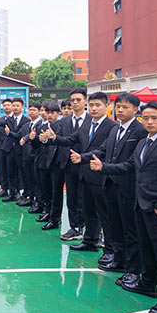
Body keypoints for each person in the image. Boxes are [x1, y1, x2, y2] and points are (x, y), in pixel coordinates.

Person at [91, 101, 157, 313]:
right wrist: (104, 167)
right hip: (140, 205)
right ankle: (148, 283)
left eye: (154, 118)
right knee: (147, 248)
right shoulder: (143, 142)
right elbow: (129, 166)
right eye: (146, 118)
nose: (149, 122)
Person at [75, 92, 146, 284]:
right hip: (111, 184)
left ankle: (133, 269)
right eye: (118, 106)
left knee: (130, 230)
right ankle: (119, 260)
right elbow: (103, 150)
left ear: (135, 109)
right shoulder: (116, 129)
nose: (120, 110)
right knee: (115, 226)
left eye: (125, 107)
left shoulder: (139, 131)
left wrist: (104, 168)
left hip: (128, 187)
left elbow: (132, 163)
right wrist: (83, 158)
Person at [48, 92, 117, 251]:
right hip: (85, 173)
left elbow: (103, 150)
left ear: (107, 106)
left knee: (102, 211)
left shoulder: (111, 127)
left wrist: (82, 157)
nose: (94, 108)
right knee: (88, 209)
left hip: (100, 174)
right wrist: (54, 138)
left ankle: (107, 245)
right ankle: (90, 241)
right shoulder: (87, 125)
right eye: (91, 105)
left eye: (97, 105)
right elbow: (70, 140)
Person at [59, 88, 89, 241]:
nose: (75, 103)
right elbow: (61, 139)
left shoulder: (92, 120)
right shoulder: (64, 121)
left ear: (85, 101)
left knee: (85, 198)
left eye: (78, 100)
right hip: (68, 164)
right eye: (73, 100)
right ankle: (75, 227)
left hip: (87, 164)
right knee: (71, 197)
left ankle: (89, 229)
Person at [35, 103, 63, 229]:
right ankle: (47, 212)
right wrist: (36, 139)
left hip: (56, 162)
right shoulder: (43, 126)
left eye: (53, 113)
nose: (49, 115)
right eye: (48, 112)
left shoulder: (61, 125)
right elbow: (37, 145)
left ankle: (55, 218)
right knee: (45, 190)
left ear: (58, 113)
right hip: (44, 162)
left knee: (55, 192)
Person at [3, 98, 30, 203]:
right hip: (9, 149)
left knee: (22, 173)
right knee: (10, 173)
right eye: (13, 105)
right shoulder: (8, 119)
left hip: (20, 150)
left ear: (22, 107)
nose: (15, 108)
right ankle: (12, 193)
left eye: (17, 106)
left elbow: (20, 135)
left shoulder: (26, 121)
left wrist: (9, 133)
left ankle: (23, 194)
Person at [20, 103, 43, 212]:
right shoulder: (26, 125)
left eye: (34, 110)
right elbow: (20, 135)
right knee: (28, 178)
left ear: (39, 111)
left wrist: (27, 138)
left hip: (36, 156)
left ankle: (38, 202)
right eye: (30, 110)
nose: (31, 112)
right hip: (26, 155)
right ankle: (31, 198)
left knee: (37, 180)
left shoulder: (41, 124)